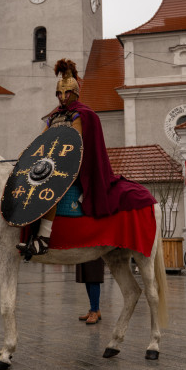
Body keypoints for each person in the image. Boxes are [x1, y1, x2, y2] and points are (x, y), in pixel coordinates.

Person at [19, 59, 155, 256]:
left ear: (74, 93)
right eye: (59, 93)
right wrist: (27, 154)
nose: (63, 97)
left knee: (49, 189)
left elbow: (76, 144)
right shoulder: (54, 117)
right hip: (49, 164)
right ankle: (29, 236)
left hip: (73, 167)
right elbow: (41, 141)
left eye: (67, 93)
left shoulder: (81, 115)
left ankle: (44, 239)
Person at [77, 257, 104, 325]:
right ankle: (95, 310)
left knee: (93, 276)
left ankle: (94, 311)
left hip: (95, 249)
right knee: (87, 276)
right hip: (85, 249)